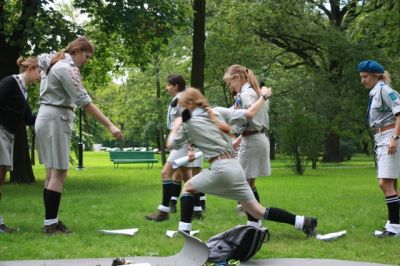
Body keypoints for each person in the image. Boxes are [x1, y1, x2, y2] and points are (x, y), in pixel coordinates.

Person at [168, 87, 317, 236]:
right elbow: (250, 114)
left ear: (190, 103)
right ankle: (304, 222)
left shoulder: (187, 124)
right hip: (234, 167)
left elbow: (171, 145)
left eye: (181, 105)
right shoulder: (217, 111)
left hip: (220, 169)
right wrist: (263, 97)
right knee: (258, 211)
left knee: (187, 188)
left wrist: (175, 127)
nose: (180, 109)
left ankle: (184, 231)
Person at [35, 36, 123, 234]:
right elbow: (85, 101)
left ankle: (51, 221)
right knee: (59, 172)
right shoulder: (65, 68)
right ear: (76, 51)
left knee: (51, 172)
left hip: (46, 116)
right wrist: (110, 125)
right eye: (87, 56)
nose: (87, 60)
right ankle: (51, 225)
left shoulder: (53, 63)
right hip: (56, 118)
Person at [146, 74, 204, 221]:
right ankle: (197, 210)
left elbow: (189, 122)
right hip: (179, 142)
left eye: (168, 85)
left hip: (182, 143)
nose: (166, 88)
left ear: (176, 86)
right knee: (188, 178)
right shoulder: (177, 99)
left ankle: (163, 211)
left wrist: (190, 147)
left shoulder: (182, 100)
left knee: (166, 173)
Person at [223, 64, 271, 227]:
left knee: (242, 185)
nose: (230, 87)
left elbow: (246, 117)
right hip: (253, 138)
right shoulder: (254, 93)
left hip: (253, 141)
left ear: (237, 77)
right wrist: (237, 141)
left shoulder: (248, 95)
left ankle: (254, 223)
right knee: (247, 185)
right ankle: (254, 223)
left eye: (230, 83)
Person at [358, 60, 400, 237]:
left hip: (389, 137)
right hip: (381, 137)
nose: (363, 80)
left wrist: (395, 138)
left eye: (365, 76)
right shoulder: (375, 93)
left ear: (376, 75)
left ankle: (394, 228)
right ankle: (394, 222)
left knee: (384, 183)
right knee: (392, 183)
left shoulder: (385, 91)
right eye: (361, 77)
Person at [0, 56, 41, 233]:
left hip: (8, 136)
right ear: (30, 69)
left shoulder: (23, 91)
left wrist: (48, 110)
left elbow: (27, 119)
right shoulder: (10, 82)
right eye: (40, 72)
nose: (40, 77)